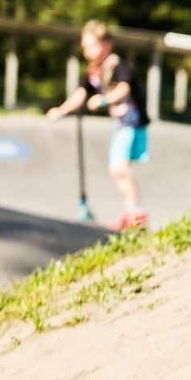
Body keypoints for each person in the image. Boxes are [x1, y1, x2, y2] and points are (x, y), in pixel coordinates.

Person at [48, 20, 151, 230]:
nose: (87, 51)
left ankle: (136, 212)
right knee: (118, 168)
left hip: (132, 121)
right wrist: (62, 110)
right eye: (85, 46)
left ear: (106, 44)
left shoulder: (117, 64)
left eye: (91, 45)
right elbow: (81, 94)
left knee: (118, 166)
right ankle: (130, 210)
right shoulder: (94, 71)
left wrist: (104, 100)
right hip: (122, 123)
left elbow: (124, 89)